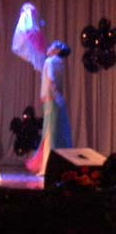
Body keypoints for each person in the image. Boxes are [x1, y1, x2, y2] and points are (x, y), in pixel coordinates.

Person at [26, 40, 72, 176]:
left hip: (51, 100)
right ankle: (55, 165)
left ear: (57, 50)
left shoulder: (50, 61)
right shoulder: (60, 63)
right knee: (55, 133)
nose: (49, 47)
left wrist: (53, 95)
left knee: (49, 134)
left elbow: (51, 80)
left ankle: (47, 167)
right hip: (55, 100)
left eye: (53, 46)